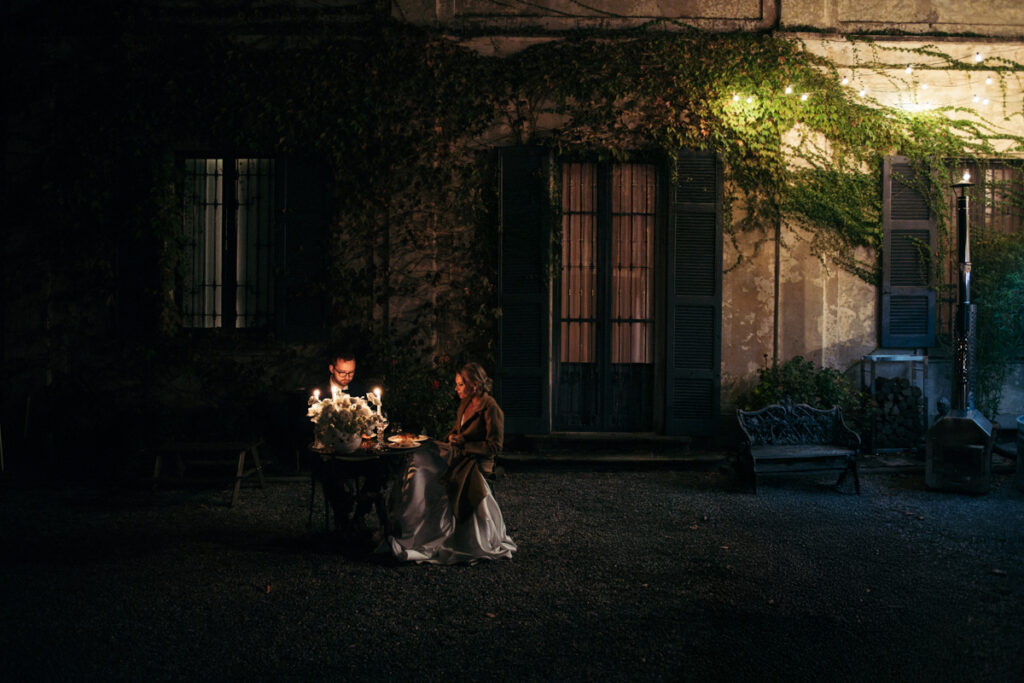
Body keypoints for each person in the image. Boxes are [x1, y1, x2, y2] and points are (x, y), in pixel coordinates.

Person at [383, 362, 516, 564]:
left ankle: (426, 533)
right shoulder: (466, 402)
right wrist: (454, 437)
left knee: (426, 474)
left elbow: (495, 446)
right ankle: (406, 524)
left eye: (460, 384)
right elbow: (458, 431)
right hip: (457, 454)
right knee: (417, 459)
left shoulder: (491, 408)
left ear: (474, 384)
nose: (456, 388)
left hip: (474, 462)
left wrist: (466, 445)